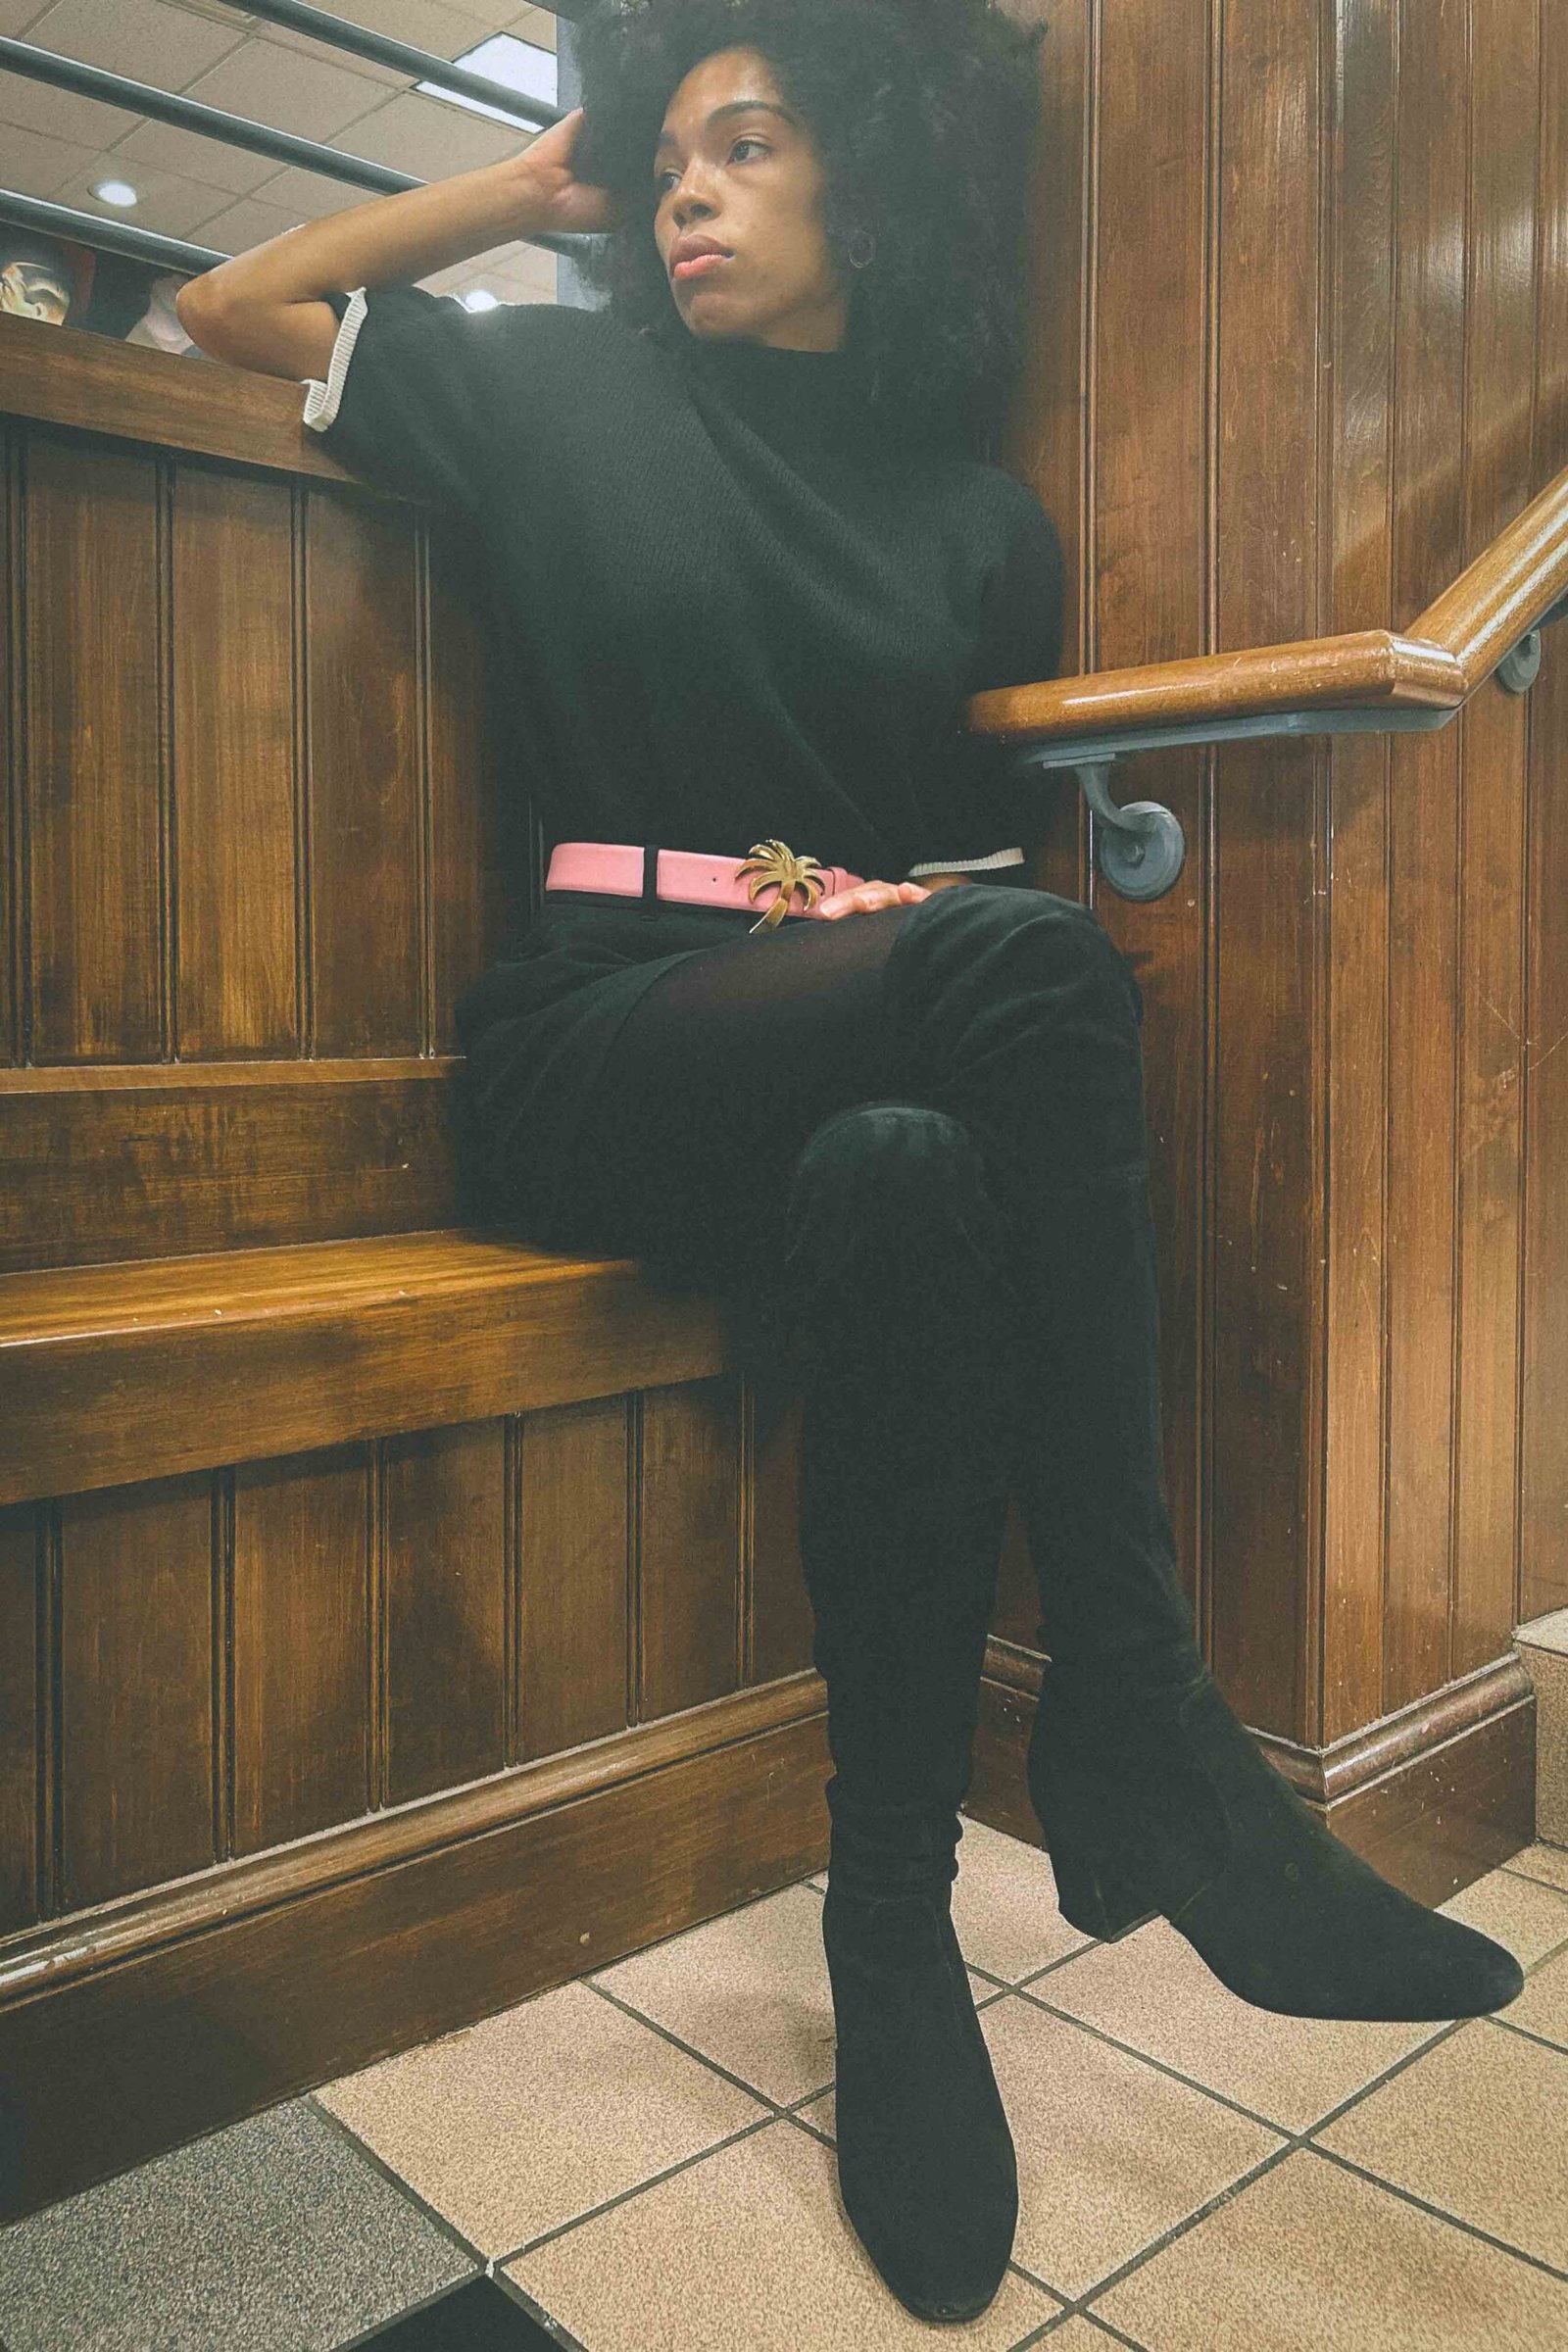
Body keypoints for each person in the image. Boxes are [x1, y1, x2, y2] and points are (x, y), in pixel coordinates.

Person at [175, 0, 1524, 2326]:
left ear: (871, 191)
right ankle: (1137, 1711)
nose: (691, 188)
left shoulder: (976, 527)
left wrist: (909, 931)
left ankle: (886, 1932)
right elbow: (234, 305)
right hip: (596, 1045)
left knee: (911, 1158)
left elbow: (935, 892)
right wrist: (529, 191)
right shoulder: (554, 394)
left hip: (843, 1057)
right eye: (669, 153)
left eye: (749, 144)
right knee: (1022, 973)